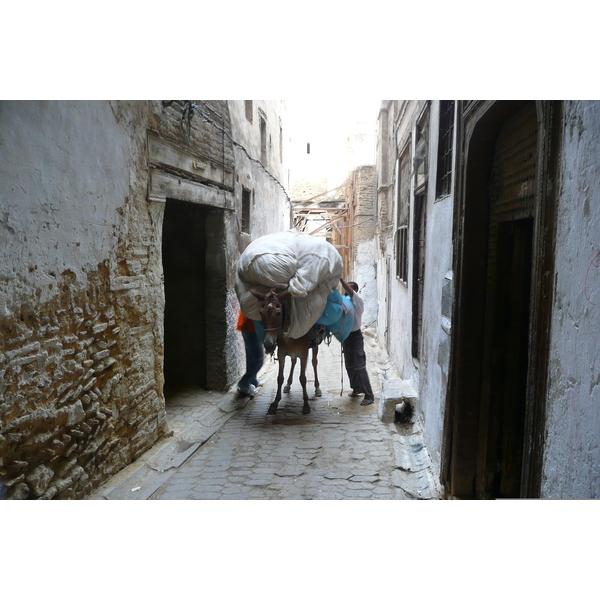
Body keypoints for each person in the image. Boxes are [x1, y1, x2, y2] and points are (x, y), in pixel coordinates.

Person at [340, 279, 375, 406]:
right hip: (346, 337)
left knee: (360, 367)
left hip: (355, 337)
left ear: (356, 290)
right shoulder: (345, 303)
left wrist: (339, 278)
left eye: (350, 289)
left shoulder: (358, 300)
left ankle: (369, 395)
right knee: (349, 365)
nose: (347, 291)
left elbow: (349, 291)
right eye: (346, 289)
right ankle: (356, 388)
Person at [236, 310, 265, 397]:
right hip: (251, 327)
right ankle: (244, 382)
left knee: (250, 355)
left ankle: (252, 380)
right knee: (259, 358)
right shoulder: (255, 299)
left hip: (248, 326)